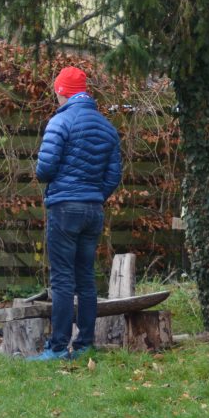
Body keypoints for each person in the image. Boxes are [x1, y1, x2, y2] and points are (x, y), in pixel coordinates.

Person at [31, 66, 121, 361]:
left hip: (64, 208)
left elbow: (44, 170)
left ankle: (57, 347)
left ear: (61, 91)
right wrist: (95, 196)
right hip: (93, 210)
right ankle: (84, 345)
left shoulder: (60, 122)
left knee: (62, 280)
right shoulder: (107, 127)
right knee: (86, 279)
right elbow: (113, 176)